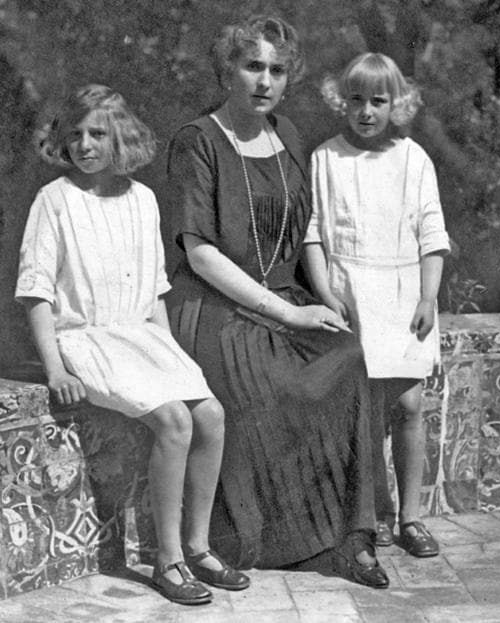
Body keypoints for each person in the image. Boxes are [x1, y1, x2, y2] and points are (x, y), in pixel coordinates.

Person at [165, 16, 388, 589]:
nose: (265, 81)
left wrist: (324, 295)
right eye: (253, 66)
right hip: (217, 308)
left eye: (277, 69)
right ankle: (277, 538)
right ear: (227, 71)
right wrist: (288, 313)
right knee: (276, 383)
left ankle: (352, 537)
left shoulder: (286, 134)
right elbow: (200, 254)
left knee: (346, 356)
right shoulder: (198, 141)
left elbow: (306, 226)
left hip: (287, 296)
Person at [15, 84, 249, 606]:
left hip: (141, 336)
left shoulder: (142, 200)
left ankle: (198, 545)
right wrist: (56, 370)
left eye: (97, 133)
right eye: (74, 134)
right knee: (173, 419)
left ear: (119, 137)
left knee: (209, 413)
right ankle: (167, 561)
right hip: (87, 341)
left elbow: (155, 291)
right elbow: (35, 292)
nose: (85, 144)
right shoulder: (54, 201)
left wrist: (172, 357)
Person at [304, 52, 450, 557]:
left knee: (409, 406)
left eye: (378, 101)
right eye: (356, 100)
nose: (366, 111)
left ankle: (412, 516)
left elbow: (431, 232)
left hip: (405, 293)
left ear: (398, 104)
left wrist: (429, 295)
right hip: (351, 294)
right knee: (365, 411)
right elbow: (314, 236)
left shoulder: (414, 159)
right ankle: (374, 514)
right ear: (342, 103)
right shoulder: (326, 157)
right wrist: (327, 293)